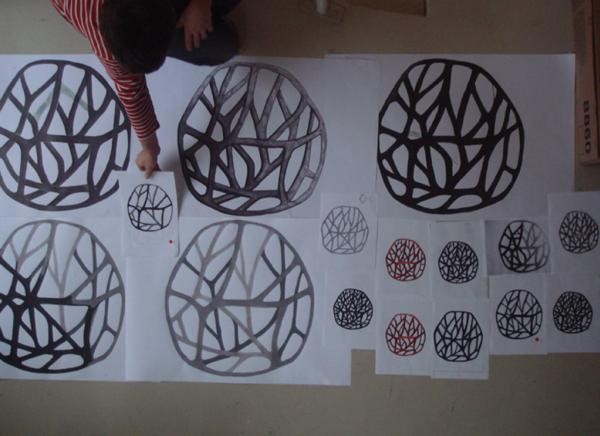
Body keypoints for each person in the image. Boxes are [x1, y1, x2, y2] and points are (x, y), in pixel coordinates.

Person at [51, 0, 241, 177]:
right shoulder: (100, 35)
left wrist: (200, 4)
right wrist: (150, 148)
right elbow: (131, 91)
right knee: (224, 45)